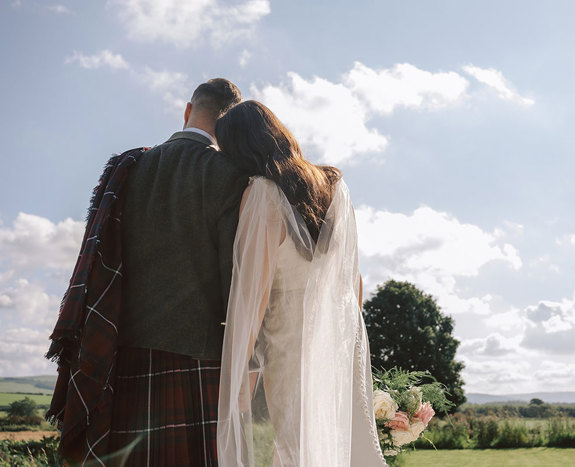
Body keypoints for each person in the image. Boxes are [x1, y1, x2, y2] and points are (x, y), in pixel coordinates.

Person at [46, 78, 249, 465]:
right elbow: (233, 283)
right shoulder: (230, 175)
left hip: (120, 359)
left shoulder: (129, 166)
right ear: (230, 124)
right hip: (199, 360)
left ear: (188, 110)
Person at [214, 101, 387, 467]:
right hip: (342, 334)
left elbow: (254, 295)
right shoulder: (334, 186)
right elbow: (353, 280)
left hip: (290, 342)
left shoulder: (261, 195)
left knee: (298, 446)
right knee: (345, 443)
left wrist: (238, 375)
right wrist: (343, 337)